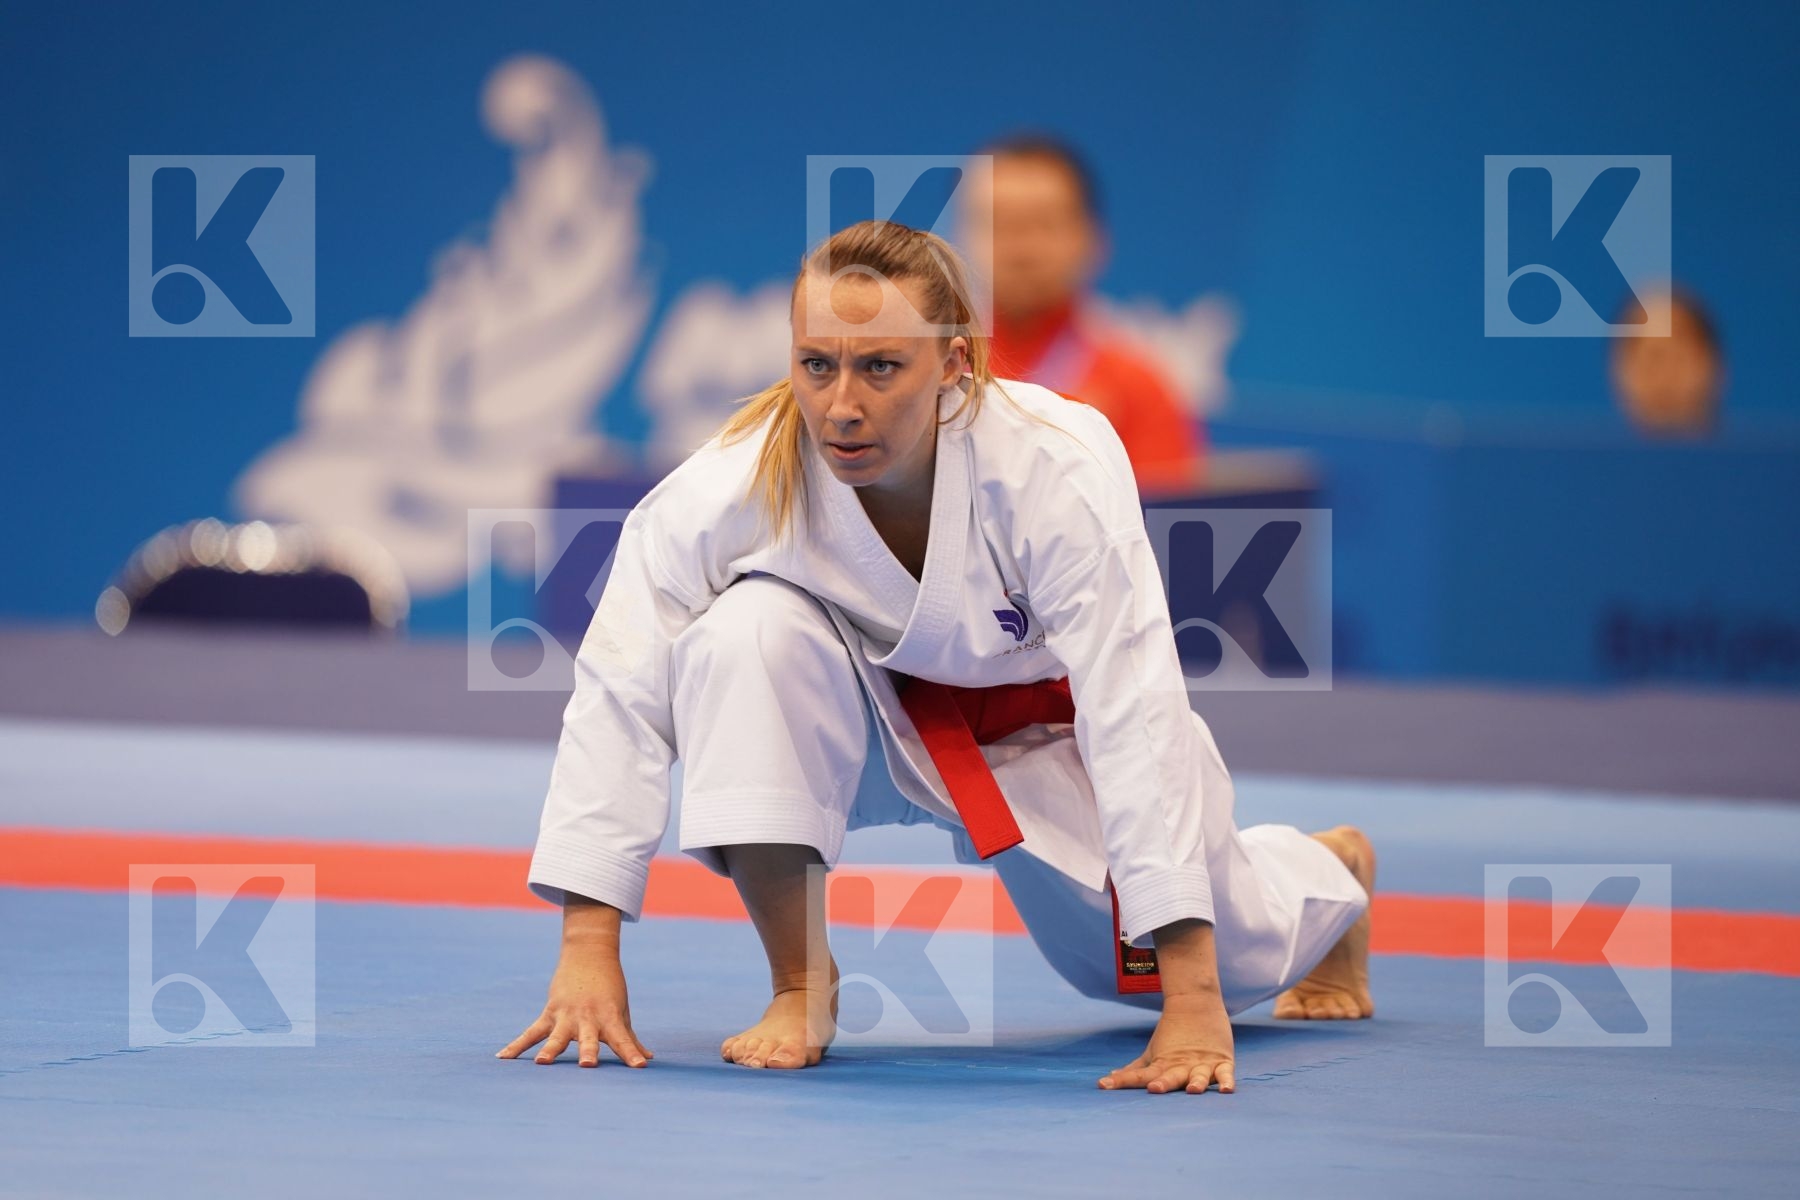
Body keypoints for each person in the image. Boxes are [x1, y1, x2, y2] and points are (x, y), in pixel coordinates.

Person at [498, 221, 1374, 1094]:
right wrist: (587, 946)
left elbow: (1133, 701)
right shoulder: (730, 484)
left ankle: (1326, 868)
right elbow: (620, 686)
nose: (842, 403)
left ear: (954, 362)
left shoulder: (1051, 464)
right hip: (864, 719)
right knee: (742, 635)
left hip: (1040, 730)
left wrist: (1192, 995)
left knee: (1173, 969)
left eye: (881, 366)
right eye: (817, 364)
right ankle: (801, 984)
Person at [961, 135, 1205, 492]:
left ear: (1092, 239)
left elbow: (1168, 533)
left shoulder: (1139, 390)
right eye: (998, 225)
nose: (1021, 248)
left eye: (1044, 224)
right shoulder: (933, 370)